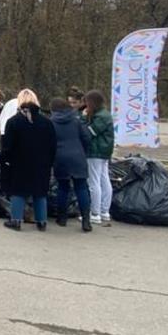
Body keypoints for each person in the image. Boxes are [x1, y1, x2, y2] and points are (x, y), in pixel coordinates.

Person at [1, 90, 56, 231]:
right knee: (40, 192)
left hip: (19, 162)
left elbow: (7, 146)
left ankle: (16, 220)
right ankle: (42, 222)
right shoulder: (47, 122)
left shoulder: (13, 122)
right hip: (42, 163)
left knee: (18, 191)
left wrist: (5, 160)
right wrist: (50, 162)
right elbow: (53, 145)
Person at [49, 97, 94, 231]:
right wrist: (83, 151)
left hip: (60, 158)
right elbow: (87, 138)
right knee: (81, 188)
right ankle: (86, 220)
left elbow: (49, 142)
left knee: (63, 188)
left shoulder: (51, 122)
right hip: (78, 156)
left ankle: (62, 218)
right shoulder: (77, 120)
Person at [84, 90, 114, 227]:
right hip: (104, 152)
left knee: (94, 182)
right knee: (104, 179)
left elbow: (90, 132)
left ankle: (95, 213)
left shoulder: (100, 117)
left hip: (95, 151)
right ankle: (104, 211)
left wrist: (84, 118)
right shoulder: (105, 114)